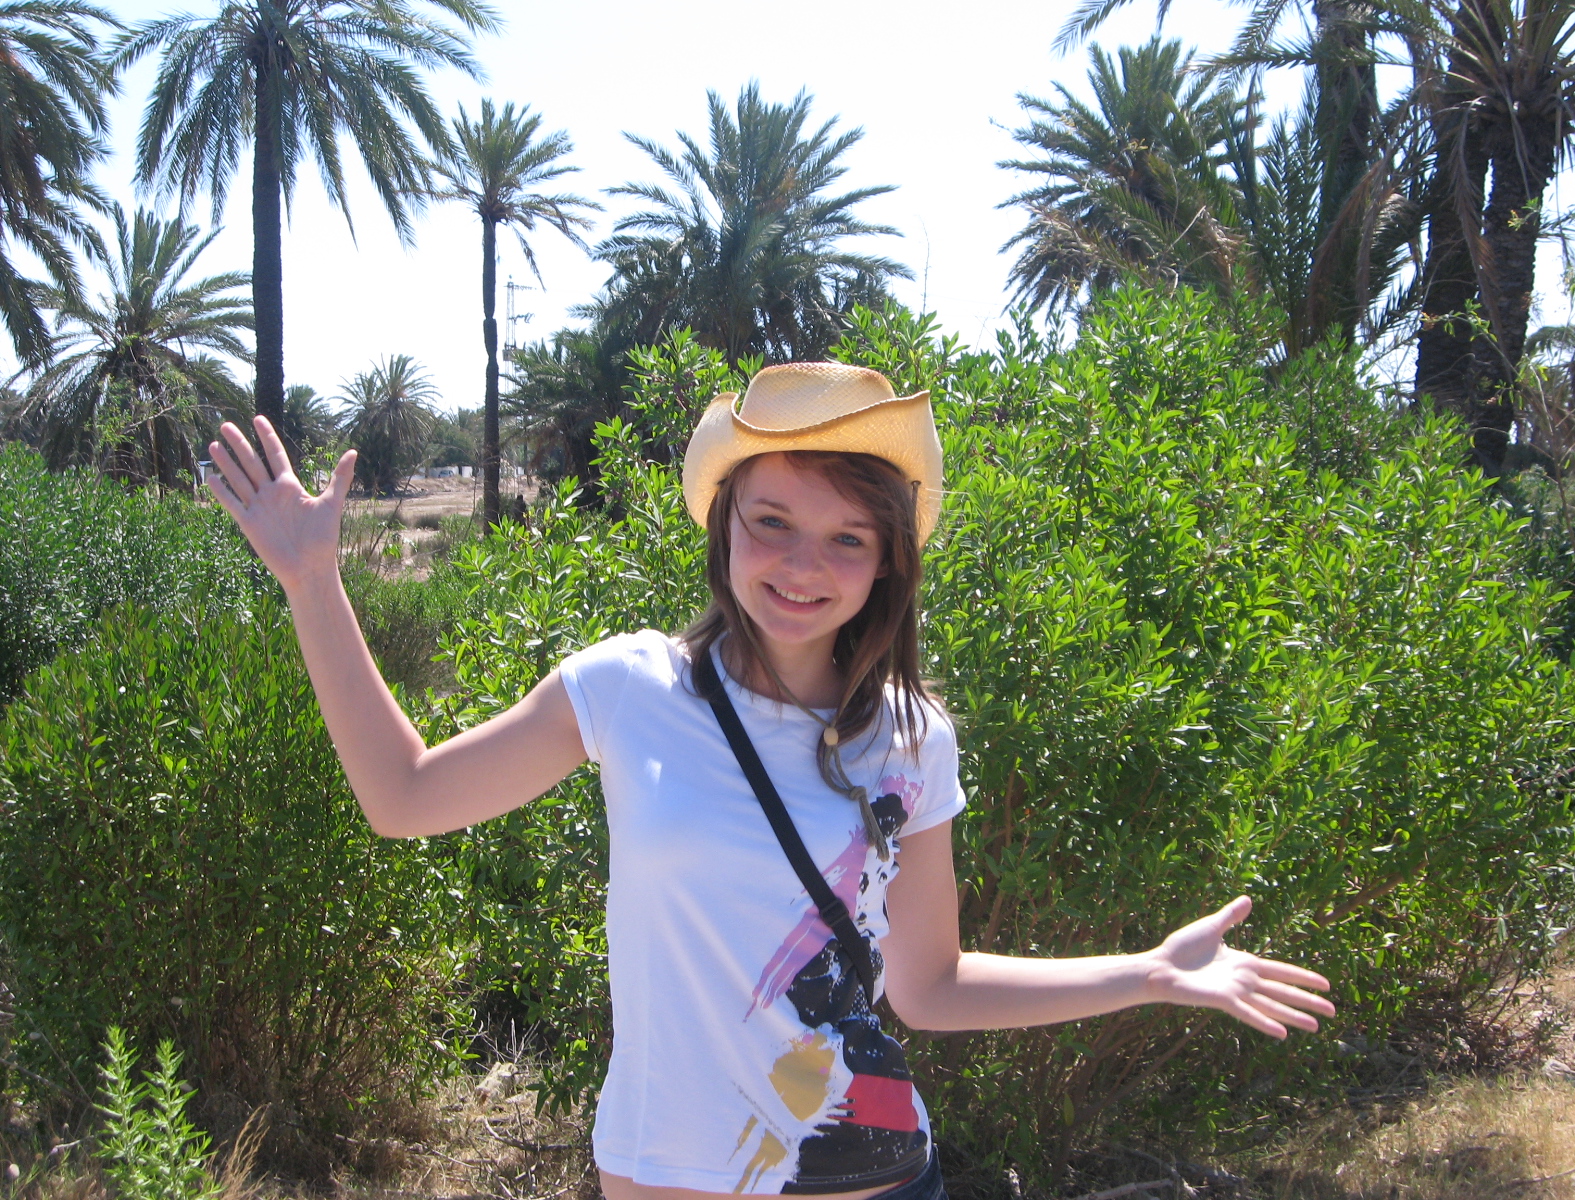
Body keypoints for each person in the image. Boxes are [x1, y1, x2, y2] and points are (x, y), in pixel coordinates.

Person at [205, 363, 1334, 1200]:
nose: (802, 566)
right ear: (725, 527)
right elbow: (403, 797)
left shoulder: (911, 738)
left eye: (848, 540)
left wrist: (1148, 972)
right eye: (774, 522)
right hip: (662, 1174)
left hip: (872, 1172)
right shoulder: (628, 687)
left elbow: (929, 986)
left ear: (887, 562)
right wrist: (314, 582)